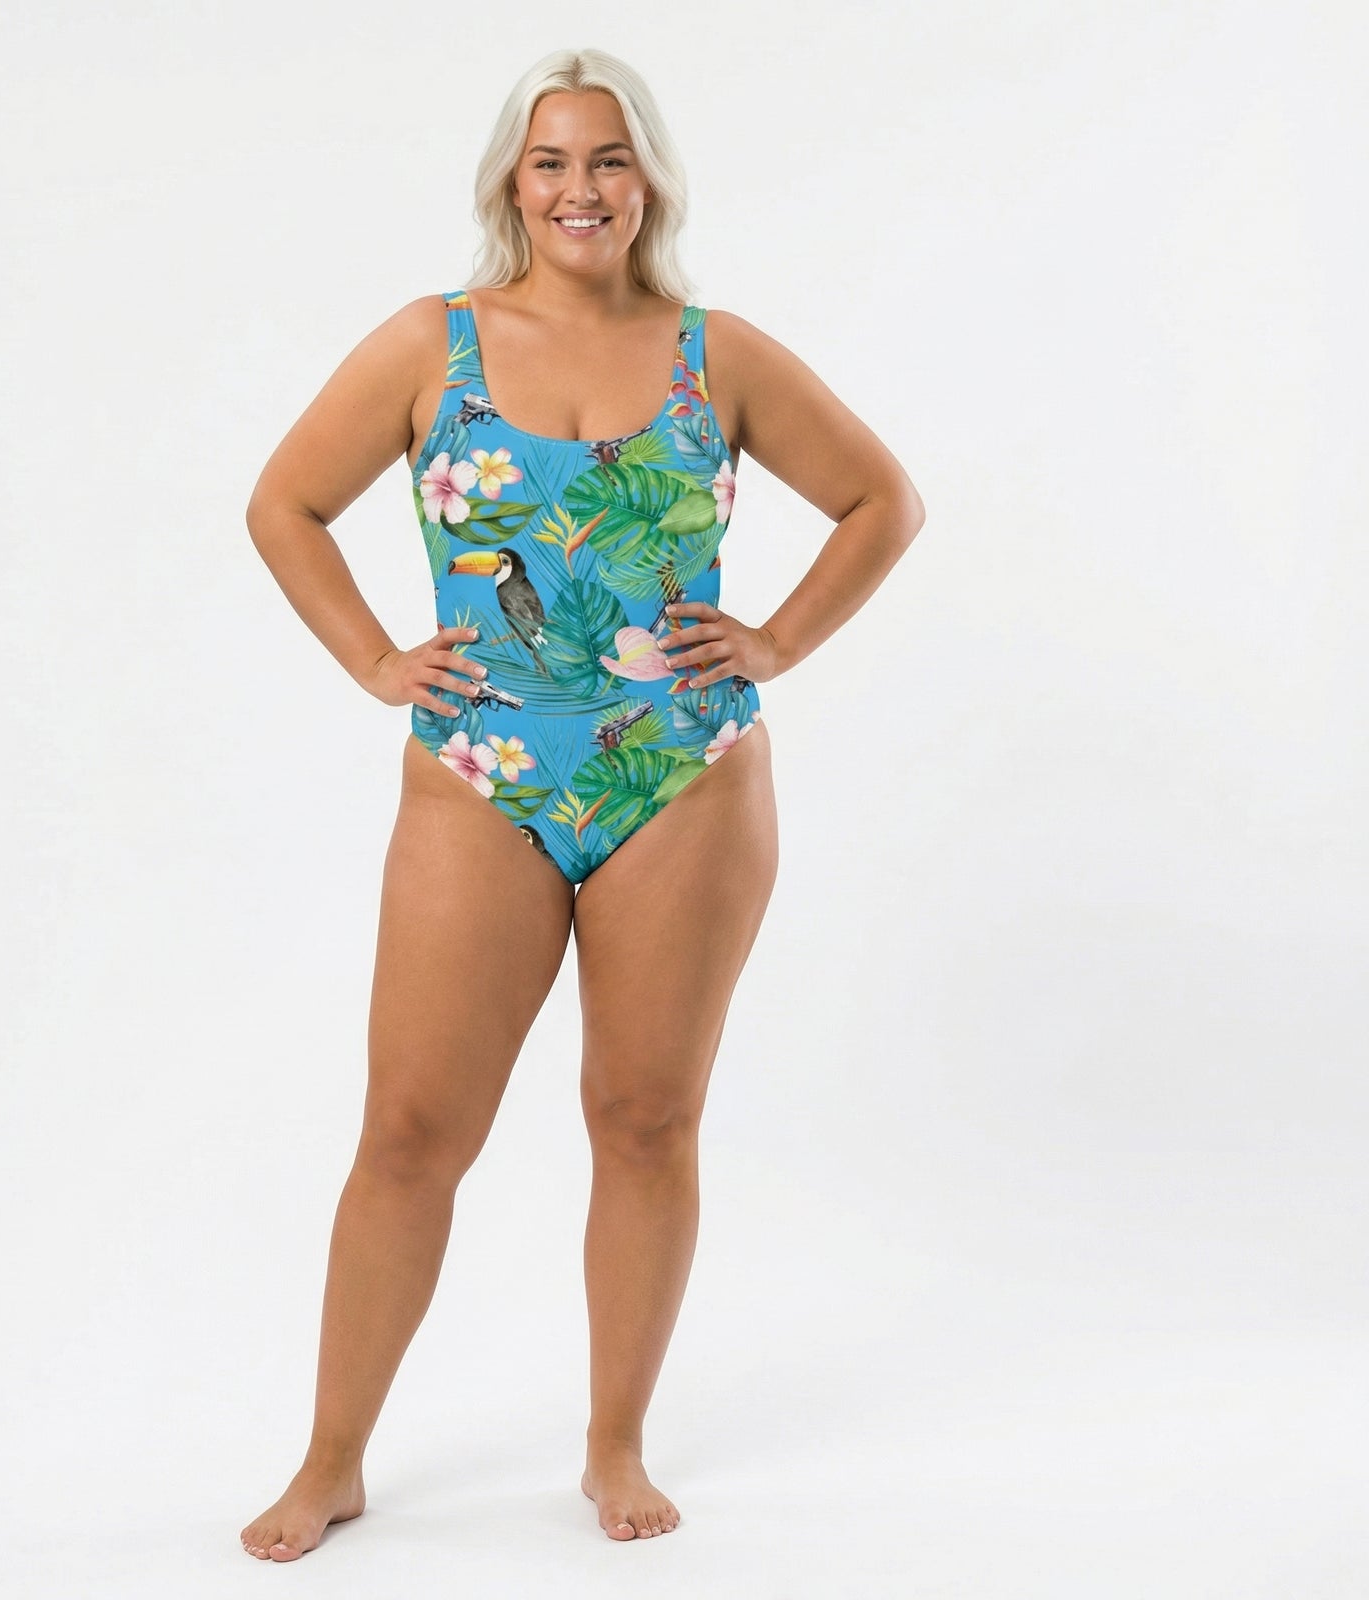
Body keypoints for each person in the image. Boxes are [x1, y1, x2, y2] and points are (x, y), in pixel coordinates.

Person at [239, 46, 925, 1559]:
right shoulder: (430, 343)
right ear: (512, 180)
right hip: (479, 771)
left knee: (644, 1115)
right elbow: (283, 504)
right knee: (411, 1129)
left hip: (683, 774)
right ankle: (332, 1459)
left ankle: (616, 1443)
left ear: (649, 181)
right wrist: (376, 662)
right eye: (551, 160)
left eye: (609, 159)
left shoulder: (715, 354)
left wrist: (775, 641)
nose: (580, 188)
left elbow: (885, 500)